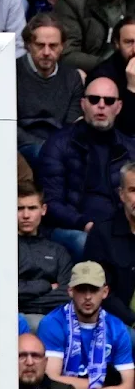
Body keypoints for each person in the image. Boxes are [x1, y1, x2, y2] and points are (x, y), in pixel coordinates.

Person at [40, 75, 135, 259]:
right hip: (73, 227)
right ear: (83, 104)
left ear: (119, 107)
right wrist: (86, 224)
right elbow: (51, 203)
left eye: (109, 101)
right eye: (94, 99)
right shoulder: (58, 144)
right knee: (86, 242)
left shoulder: (130, 147)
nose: (101, 105)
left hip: (121, 226)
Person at [37, 261, 135, 389]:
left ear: (105, 292)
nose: (88, 297)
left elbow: (128, 387)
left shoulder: (117, 328)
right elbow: (51, 379)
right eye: (81, 289)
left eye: (94, 290)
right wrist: (102, 385)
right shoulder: (53, 323)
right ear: (70, 291)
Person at [17, 15, 85, 159]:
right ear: (28, 45)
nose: (47, 52)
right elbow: (8, 126)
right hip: (21, 146)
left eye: (53, 46)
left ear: (62, 46)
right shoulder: (10, 72)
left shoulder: (72, 78)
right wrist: (46, 149)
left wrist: (54, 149)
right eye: (40, 45)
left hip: (61, 146)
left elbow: (71, 125)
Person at [84, 161, 135, 328]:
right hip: (118, 322)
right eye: (133, 190)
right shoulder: (102, 233)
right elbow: (99, 290)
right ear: (121, 194)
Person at [18, 181, 74, 318]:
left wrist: (23, 299)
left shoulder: (58, 251)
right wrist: (45, 286)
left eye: (32, 208)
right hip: (14, 320)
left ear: (43, 210)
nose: (26, 215)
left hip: (54, 319)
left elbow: (67, 295)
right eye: (19, 208)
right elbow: (1, 293)